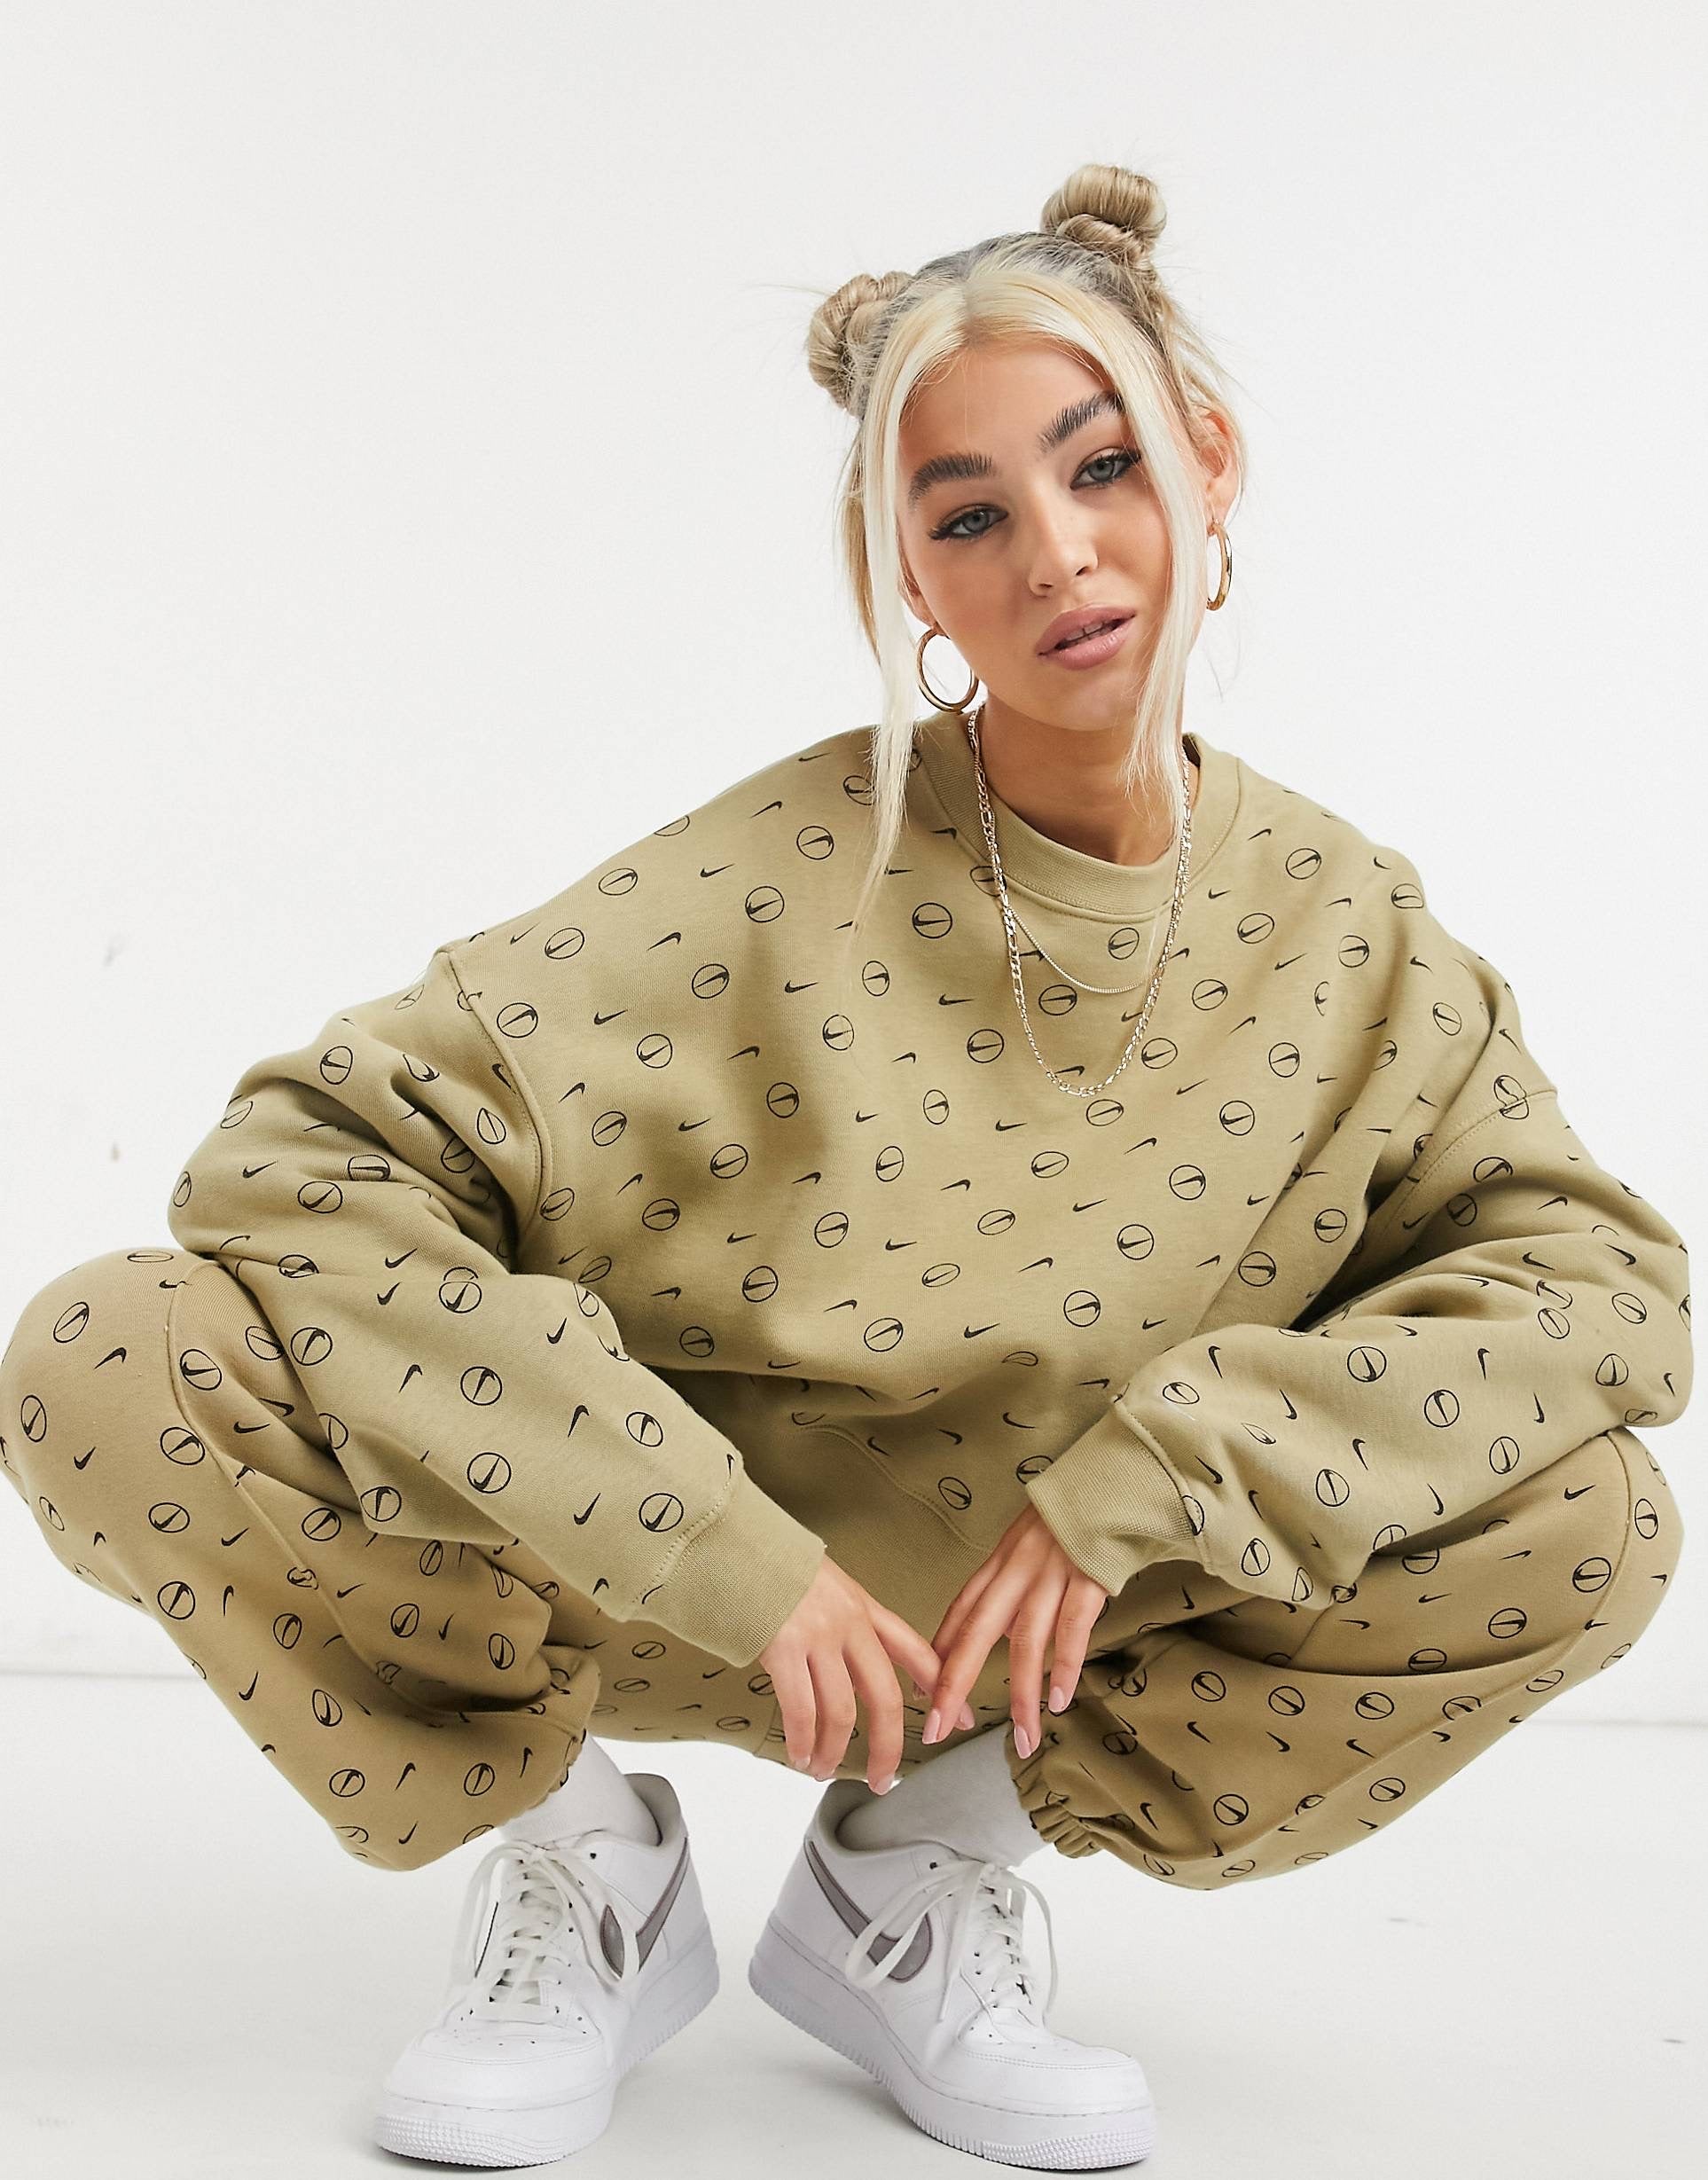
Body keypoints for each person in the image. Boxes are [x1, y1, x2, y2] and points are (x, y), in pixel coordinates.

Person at [0, 159, 1691, 2175]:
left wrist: (1176, 1469)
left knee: (1586, 1517)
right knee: (107, 1351)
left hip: (1034, 1645)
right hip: (631, 1580)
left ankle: (914, 1879)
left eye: (1103, 466)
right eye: (969, 516)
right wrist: (711, 1543)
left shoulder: (1352, 932)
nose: (1058, 555)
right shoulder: (770, 874)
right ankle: (585, 1873)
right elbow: (299, 1161)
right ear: (908, 579)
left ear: (1209, 463)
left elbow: (1606, 1292)